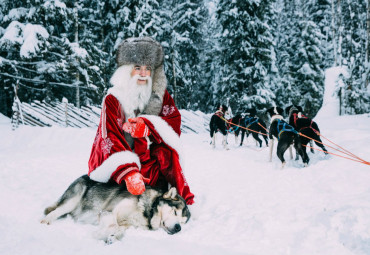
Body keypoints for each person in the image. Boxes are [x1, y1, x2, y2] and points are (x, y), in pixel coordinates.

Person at [87, 37, 194, 205]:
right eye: (138, 68)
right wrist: (129, 172)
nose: (144, 74)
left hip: (149, 161)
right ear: (127, 70)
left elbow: (173, 125)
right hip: (123, 161)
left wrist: (149, 128)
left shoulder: (161, 98)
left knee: (167, 155)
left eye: (148, 68)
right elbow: (109, 138)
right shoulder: (113, 99)